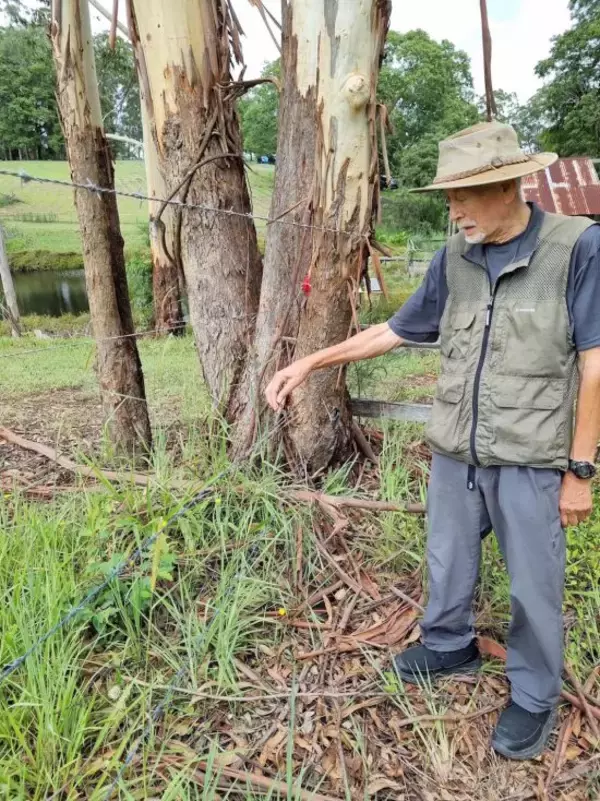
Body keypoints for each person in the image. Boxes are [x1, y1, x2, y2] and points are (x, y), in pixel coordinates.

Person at [265, 121, 600, 760]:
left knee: (534, 582)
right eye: (448, 196)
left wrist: (579, 471)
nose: (453, 209)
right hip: (456, 451)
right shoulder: (455, 258)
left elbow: (596, 364)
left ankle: (533, 695)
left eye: (464, 195)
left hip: (531, 455)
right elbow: (394, 331)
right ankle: (448, 646)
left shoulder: (577, 247)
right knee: (447, 557)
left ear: (508, 186)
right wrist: (310, 363)